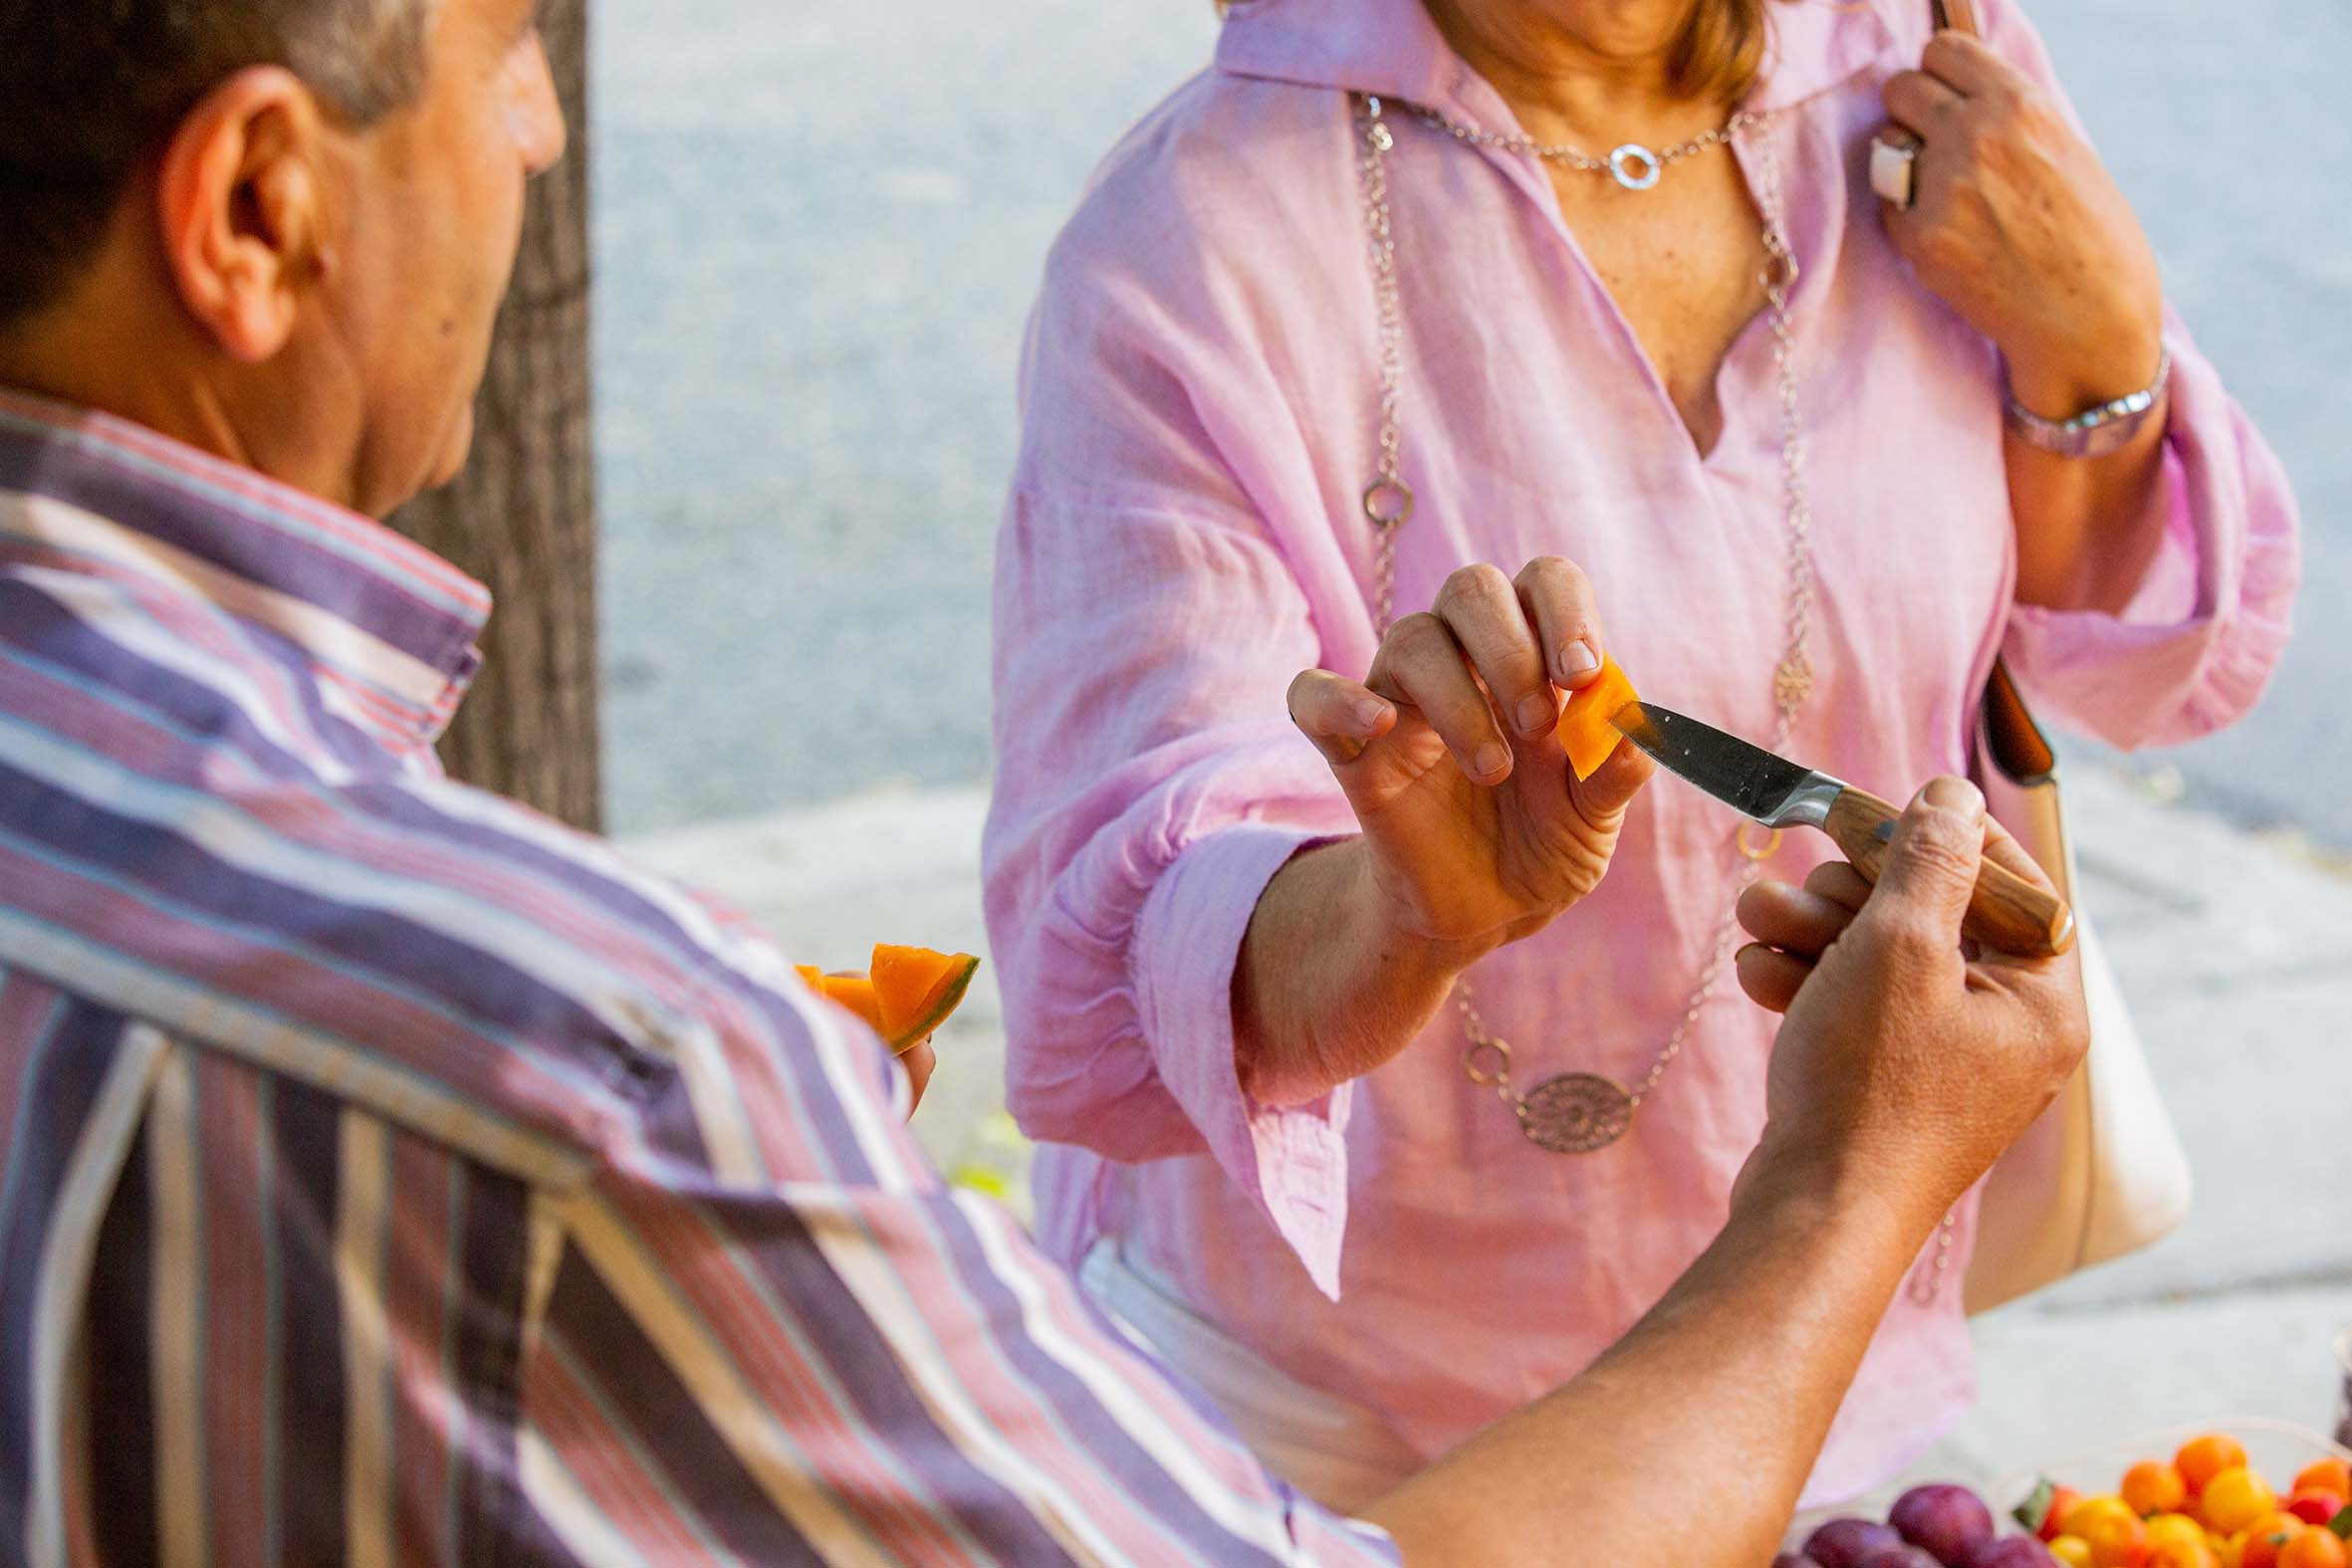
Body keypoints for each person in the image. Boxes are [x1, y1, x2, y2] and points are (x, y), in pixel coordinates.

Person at [0, 1, 2096, 1563]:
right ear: (258, 209)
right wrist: (1836, 1187)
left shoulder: (1924, 91)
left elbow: (2138, 619)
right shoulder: (594, 1063)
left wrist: (2101, 370)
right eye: (495, 46)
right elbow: (1133, 913)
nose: (544, 121)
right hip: (1362, 1434)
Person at [984, 0, 2299, 1510]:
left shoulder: (1916, 65)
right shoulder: (1199, 235)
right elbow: (1138, 943)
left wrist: (2098, 351)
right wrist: (1407, 910)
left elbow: (2155, 665)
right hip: (1322, 1425)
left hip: (1824, 1347)